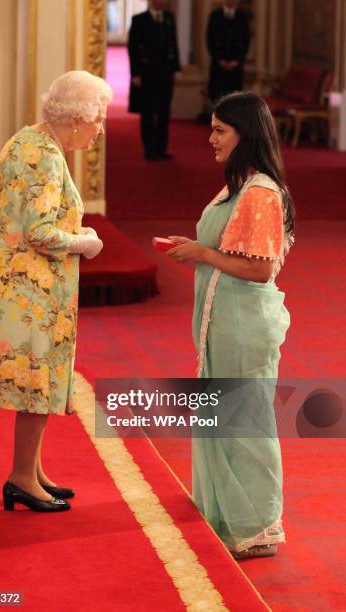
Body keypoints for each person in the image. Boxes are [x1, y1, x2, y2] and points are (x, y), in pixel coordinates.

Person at [0, 70, 113, 513]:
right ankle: (21, 478)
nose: (100, 129)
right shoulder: (45, 156)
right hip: (29, 295)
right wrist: (84, 241)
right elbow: (40, 233)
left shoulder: (30, 140)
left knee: (36, 383)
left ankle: (31, 470)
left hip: (18, 287)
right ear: (76, 118)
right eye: (98, 120)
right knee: (33, 382)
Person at [167, 91, 295, 558]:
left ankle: (256, 525)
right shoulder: (239, 185)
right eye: (213, 127)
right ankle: (225, 512)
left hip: (243, 323)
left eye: (221, 130)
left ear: (247, 135)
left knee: (244, 420)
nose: (211, 138)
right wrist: (195, 245)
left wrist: (201, 253)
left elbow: (261, 269)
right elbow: (233, 252)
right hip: (226, 319)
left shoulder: (259, 192)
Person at [128, 0, 180, 161]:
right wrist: (135, 73)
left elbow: (174, 44)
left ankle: (161, 147)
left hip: (165, 73)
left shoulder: (169, 17)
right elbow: (133, 48)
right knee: (148, 112)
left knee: (164, 111)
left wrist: (176, 68)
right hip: (146, 73)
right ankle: (149, 149)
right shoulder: (139, 20)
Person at [207, 0, 250, 101]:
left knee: (235, 100)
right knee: (218, 99)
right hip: (218, 68)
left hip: (236, 68)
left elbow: (246, 41)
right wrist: (220, 60)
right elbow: (210, 40)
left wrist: (236, 61)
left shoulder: (242, 17)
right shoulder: (215, 15)